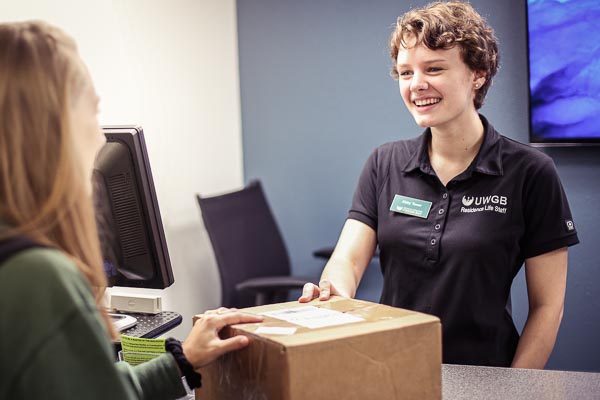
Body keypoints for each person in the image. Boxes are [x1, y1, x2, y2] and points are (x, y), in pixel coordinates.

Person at [299, 1, 579, 369]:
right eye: (405, 72)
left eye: (434, 68)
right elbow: (348, 261)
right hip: (391, 369)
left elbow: (548, 307)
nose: (417, 85)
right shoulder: (384, 164)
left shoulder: (530, 172)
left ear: (478, 73)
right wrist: (333, 290)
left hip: (487, 375)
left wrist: (516, 389)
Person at [0, 20, 262, 399]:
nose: (102, 136)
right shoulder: (39, 279)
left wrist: (182, 361)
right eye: (93, 111)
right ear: (55, 130)